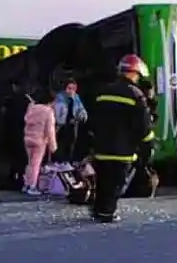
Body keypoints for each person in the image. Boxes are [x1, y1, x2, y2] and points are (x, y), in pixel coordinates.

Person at [88, 54, 155, 223]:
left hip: (101, 147)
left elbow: (92, 119)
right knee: (116, 183)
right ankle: (106, 213)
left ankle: (98, 210)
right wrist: (148, 147)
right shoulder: (136, 94)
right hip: (123, 150)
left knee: (103, 181)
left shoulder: (103, 91)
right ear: (134, 73)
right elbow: (144, 126)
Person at [22, 90, 59, 196]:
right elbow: (50, 130)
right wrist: (53, 146)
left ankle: (26, 184)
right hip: (40, 140)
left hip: (28, 138)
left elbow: (26, 120)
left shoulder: (32, 108)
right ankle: (32, 186)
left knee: (30, 163)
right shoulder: (48, 111)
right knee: (36, 164)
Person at [2, 80, 35, 189]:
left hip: (16, 132)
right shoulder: (25, 100)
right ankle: (18, 177)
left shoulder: (13, 99)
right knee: (19, 156)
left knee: (16, 156)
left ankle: (15, 177)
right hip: (20, 132)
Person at [53, 80, 88, 162]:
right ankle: (58, 162)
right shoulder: (60, 97)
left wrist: (81, 117)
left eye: (73, 89)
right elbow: (58, 112)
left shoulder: (76, 97)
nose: (71, 91)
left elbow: (81, 110)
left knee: (71, 144)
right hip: (61, 125)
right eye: (69, 88)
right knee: (60, 145)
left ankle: (68, 162)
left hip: (72, 125)